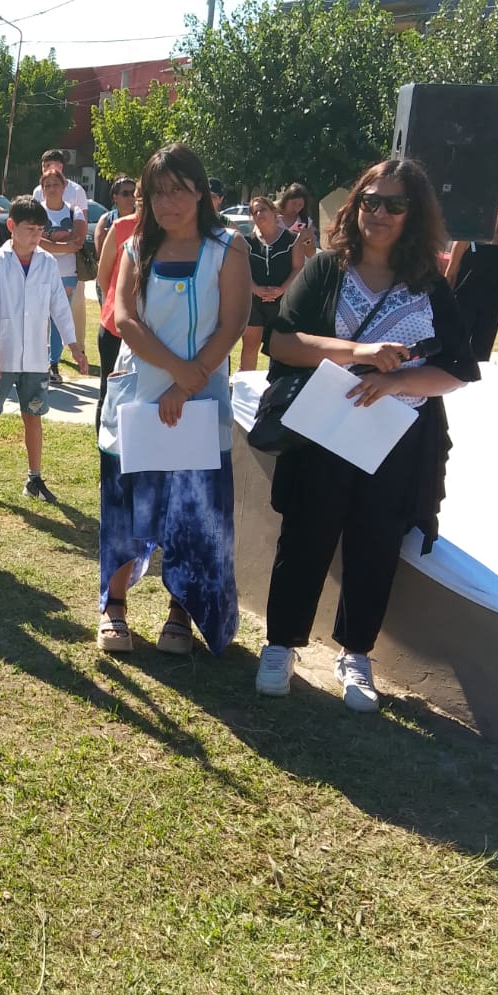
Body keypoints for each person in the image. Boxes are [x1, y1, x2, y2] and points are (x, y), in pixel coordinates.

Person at [255, 157, 479, 711]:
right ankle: (280, 645)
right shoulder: (326, 270)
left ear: (414, 214)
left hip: (394, 441)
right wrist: (357, 352)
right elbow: (280, 341)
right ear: (355, 207)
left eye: (394, 204)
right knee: (304, 536)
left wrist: (396, 380)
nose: (379, 212)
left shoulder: (429, 285)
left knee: (376, 544)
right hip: (323, 431)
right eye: (370, 201)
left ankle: (355, 653)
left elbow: (457, 369)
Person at [98, 144, 251, 656]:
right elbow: (124, 318)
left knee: (194, 510)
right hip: (138, 398)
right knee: (125, 505)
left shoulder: (229, 247)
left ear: (201, 192)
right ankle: (114, 606)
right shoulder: (136, 247)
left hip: (200, 403)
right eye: (158, 193)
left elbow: (232, 323)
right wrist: (176, 375)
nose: (169, 203)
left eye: (179, 191)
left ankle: (180, 611)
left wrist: (186, 384)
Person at [0, 196, 88, 506]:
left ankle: (34, 478)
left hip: (35, 358)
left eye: (40, 230)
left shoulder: (47, 263)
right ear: (12, 226)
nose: (36, 235)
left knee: (33, 415)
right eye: (30, 229)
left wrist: (74, 346)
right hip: (1, 355)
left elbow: (59, 306)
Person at [444, 190, 498, 361]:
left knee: (482, 354)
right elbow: (451, 272)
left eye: (497, 208)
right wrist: (443, 302)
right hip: (463, 300)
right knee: (456, 349)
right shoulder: (467, 236)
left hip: (491, 304)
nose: (492, 212)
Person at [93, 174, 140, 430]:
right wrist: (114, 304)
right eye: (129, 194)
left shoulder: (168, 230)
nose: (134, 199)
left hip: (148, 327)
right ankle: (104, 441)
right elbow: (104, 275)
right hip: (114, 325)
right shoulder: (120, 227)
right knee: (110, 387)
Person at [240, 194, 306, 371]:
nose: (259, 214)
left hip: (283, 301)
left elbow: (298, 268)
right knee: (250, 346)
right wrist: (255, 289)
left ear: (273, 211)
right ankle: (245, 385)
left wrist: (282, 290)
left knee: (280, 348)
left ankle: (278, 384)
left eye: (263, 209)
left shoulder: (292, 239)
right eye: (255, 212)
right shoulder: (246, 242)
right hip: (254, 301)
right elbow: (241, 270)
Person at [37, 165, 88, 384]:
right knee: (38, 318)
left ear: (64, 186)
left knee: (59, 318)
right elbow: (35, 240)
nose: (51, 189)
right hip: (39, 272)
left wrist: (52, 243)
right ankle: (37, 361)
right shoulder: (36, 211)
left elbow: (79, 239)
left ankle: (53, 363)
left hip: (67, 273)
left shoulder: (74, 211)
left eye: (55, 184)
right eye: (47, 185)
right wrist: (63, 245)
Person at [278, 181, 317, 260]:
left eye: (300, 205)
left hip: (298, 264)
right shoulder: (272, 217)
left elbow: (311, 254)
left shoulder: (304, 221)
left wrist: (306, 240)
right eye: (293, 203)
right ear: (286, 200)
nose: (296, 208)